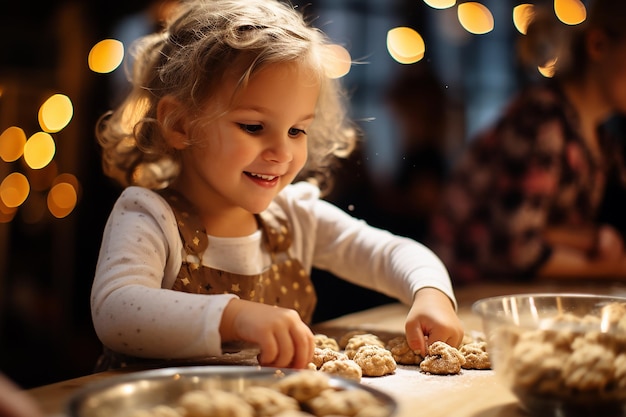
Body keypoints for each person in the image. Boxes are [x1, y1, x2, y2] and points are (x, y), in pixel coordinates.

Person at [90, 0, 463, 371]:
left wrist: (430, 293)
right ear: (180, 124)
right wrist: (236, 317)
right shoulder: (150, 217)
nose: (282, 152)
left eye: (297, 130)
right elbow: (117, 310)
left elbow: (392, 253)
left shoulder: (294, 216)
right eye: (253, 127)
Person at [428, 0, 626, 285]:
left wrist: (589, 240)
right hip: (463, 295)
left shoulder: (602, 141)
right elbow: (516, 248)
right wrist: (613, 266)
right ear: (598, 46)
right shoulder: (542, 120)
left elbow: (537, 232)